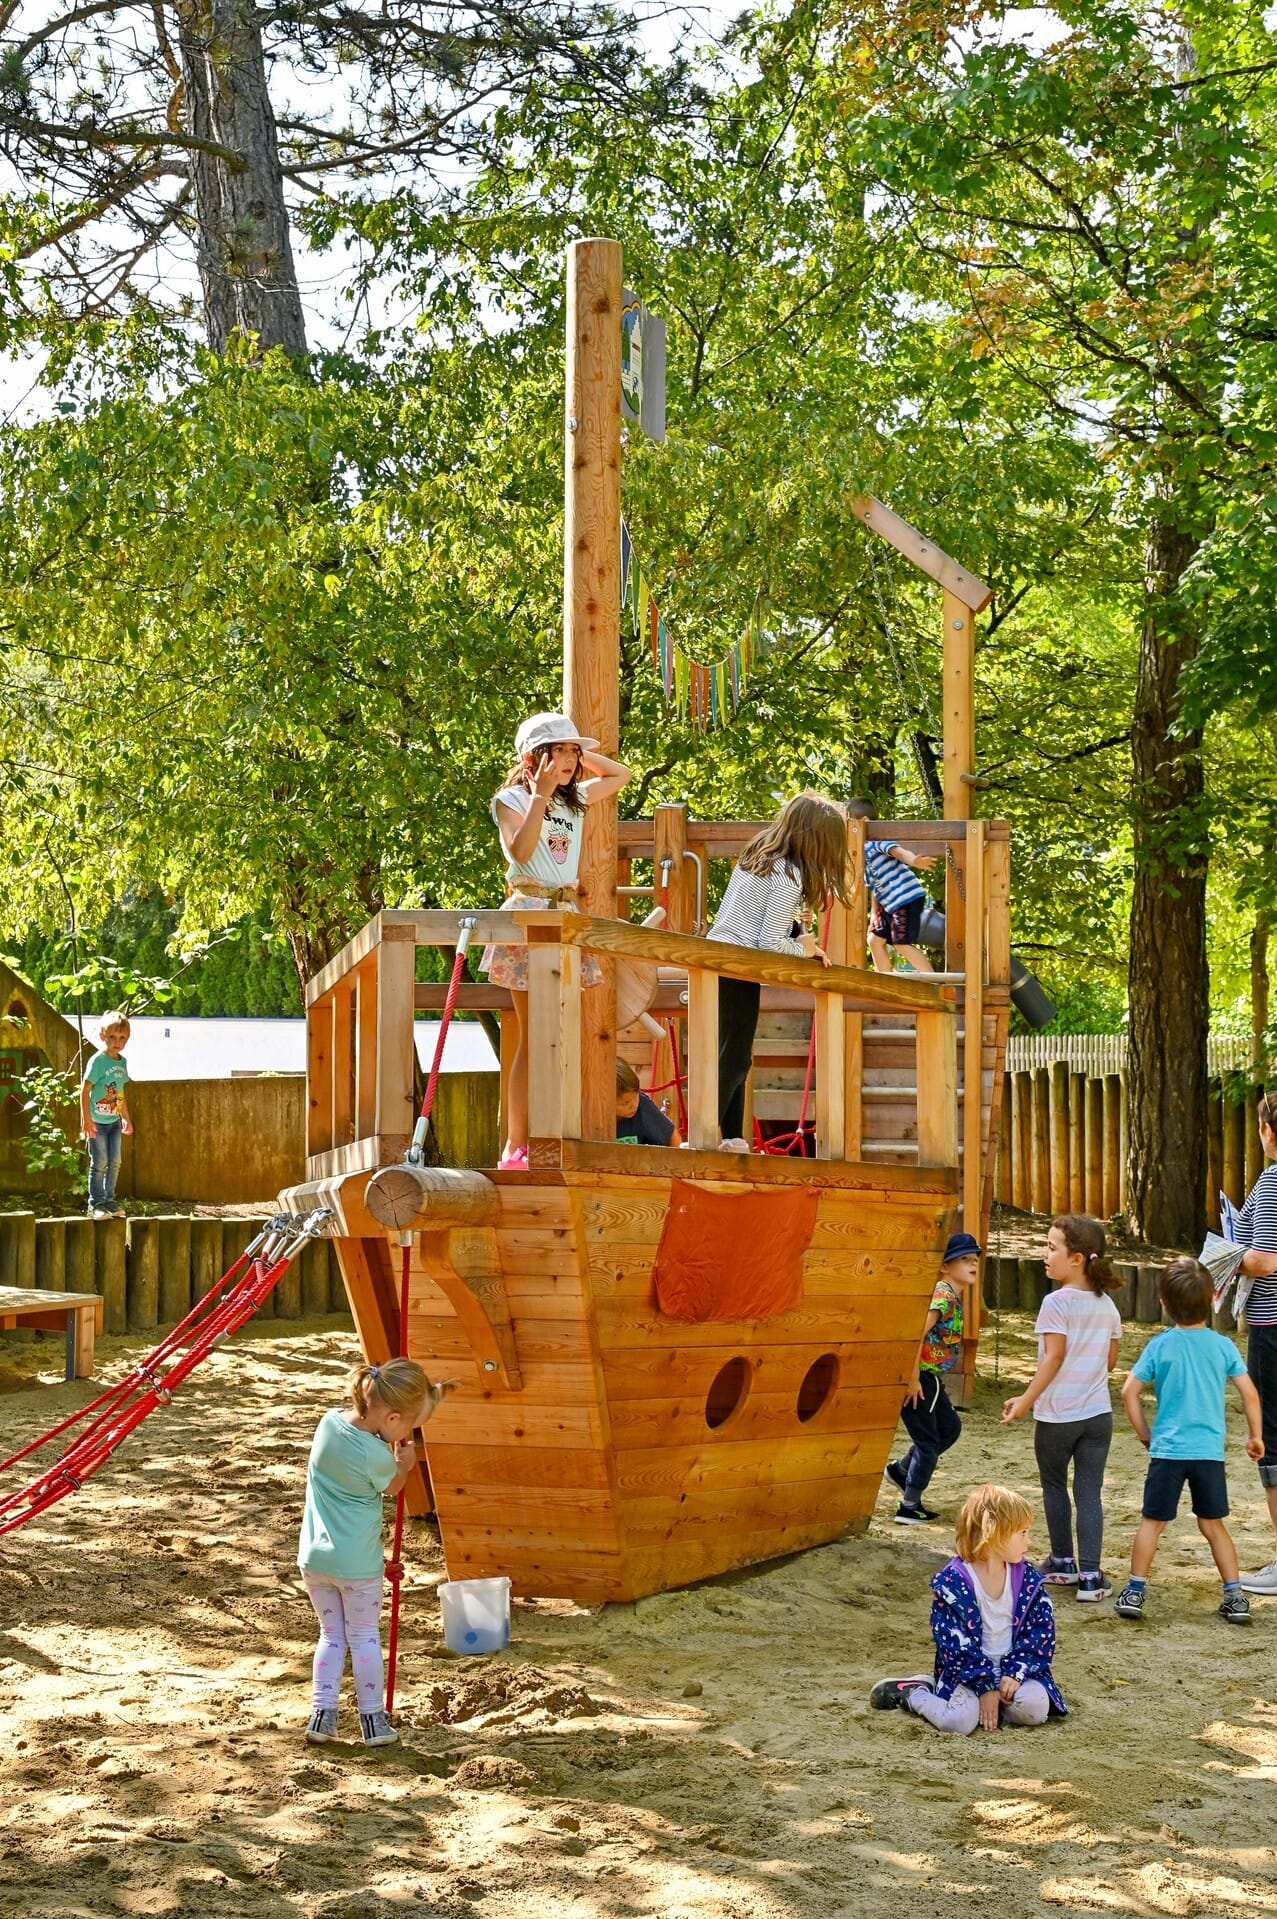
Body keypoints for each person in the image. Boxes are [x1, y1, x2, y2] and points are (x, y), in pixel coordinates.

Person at [481, 712, 631, 1169]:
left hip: (565, 915)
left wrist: (579, 757)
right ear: (532, 756)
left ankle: (552, 1137)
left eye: (572, 751)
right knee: (534, 1036)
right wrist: (540, 795)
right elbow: (521, 852)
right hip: (530, 912)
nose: (568, 759)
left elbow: (620, 775)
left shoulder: (577, 798)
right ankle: (515, 1144)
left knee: (560, 1036)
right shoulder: (510, 799)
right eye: (558, 750)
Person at [299, 1357, 455, 1747]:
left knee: (331, 1635)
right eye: (410, 1426)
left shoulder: (328, 1423)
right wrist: (405, 1463)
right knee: (364, 1637)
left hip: (315, 1559)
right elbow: (392, 1486)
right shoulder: (377, 1456)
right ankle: (372, 1720)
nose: (408, 1434)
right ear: (392, 1418)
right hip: (357, 1567)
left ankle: (322, 1716)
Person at [1115, 1255, 1264, 1625]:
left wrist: (1145, 1433)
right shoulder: (1223, 1346)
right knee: (1213, 1525)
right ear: (1214, 1297)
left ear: (1163, 1303)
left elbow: (1129, 1392)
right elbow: (1250, 1395)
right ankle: (1235, 1595)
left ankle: (1135, 1590)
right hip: (1208, 1453)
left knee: (1152, 1522)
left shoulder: (1159, 1346)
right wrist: (1255, 1436)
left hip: (1167, 1451)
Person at [706, 790, 850, 1143]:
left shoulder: (760, 856)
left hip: (720, 957)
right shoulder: (790, 876)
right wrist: (804, 949)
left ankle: (731, 1139)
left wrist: (802, 938)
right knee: (734, 1059)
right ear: (818, 842)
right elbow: (770, 943)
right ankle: (703, 1135)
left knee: (734, 1056)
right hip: (739, 964)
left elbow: (764, 916)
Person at [869, 1483, 1065, 1734]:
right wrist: (984, 1685)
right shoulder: (953, 1583)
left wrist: (1016, 1672)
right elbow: (952, 1644)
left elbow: (1041, 1632)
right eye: (1023, 1533)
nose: (1029, 1542)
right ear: (994, 1533)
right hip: (969, 1674)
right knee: (957, 1723)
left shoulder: (1028, 1579)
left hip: (1014, 1672)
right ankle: (915, 1693)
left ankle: (997, 1706)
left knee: (1035, 1709)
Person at [1001, 1214, 1122, 1602]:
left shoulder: (1055, 1303)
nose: (1045, 1254)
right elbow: (1110, 1362)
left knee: (1054, 1485)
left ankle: (1062, 1562)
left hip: (1057, 1417)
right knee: (1089, 1493)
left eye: (1052, 1248)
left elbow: (1053, 1357)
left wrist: (1025, 1400)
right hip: (1098, 1417)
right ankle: (1091, 1578)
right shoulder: (1108, 1306)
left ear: (1078, 1259)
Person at [884, 1230, 977, 1524]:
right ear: (945, 1266)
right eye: (964, 1259)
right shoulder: (942, 1296)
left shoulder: (950, 1296)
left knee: (950, 1429)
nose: (973, 1263)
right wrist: (912, 1380)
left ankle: (900, 1470)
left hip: (929, 1377)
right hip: (920, 1377)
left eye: (975, 1259)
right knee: (927, 1442)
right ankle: (909, 1505)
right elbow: (916, 1335)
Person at [1232, 1090, 1277, 1594]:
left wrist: (1230, 1256)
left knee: (1274, 1443)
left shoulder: (1272, 1181)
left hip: (1272, 1327)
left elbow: (1264, 1260)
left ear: (1267, 1130)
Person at [844, 797, 937, 974]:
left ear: (864, 822)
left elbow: (898, 851)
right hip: (890, 905)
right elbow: (875, 886)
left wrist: (913, 860)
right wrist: (874, 913)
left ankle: (933, 980)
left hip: (906, 899)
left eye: (847, 824)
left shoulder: (875, 842)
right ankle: (883, 980)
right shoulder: (858, 853)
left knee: (901, 943)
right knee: (874, 940)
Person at [79, 1011, 133, 1219]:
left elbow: (119, 1093)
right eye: (112, 1036)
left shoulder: (122, 1062)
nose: (117, 1042)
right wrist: (86, 1119)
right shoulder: (98, 1061)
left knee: (115, 1162)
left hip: (113, 1122)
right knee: (100, 1162)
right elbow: (85, 1090)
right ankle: (96, 1204)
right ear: (102, 1036)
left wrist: (126, 1117)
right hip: (97, 1124)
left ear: (127, 1038)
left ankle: (109, 1200)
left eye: (122, 1037)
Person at [615, 1058, 680, 1147]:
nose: (634, 1105)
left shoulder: (643, 1105)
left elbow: (672, 1136)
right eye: (626, 1102)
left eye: (636, 1096)